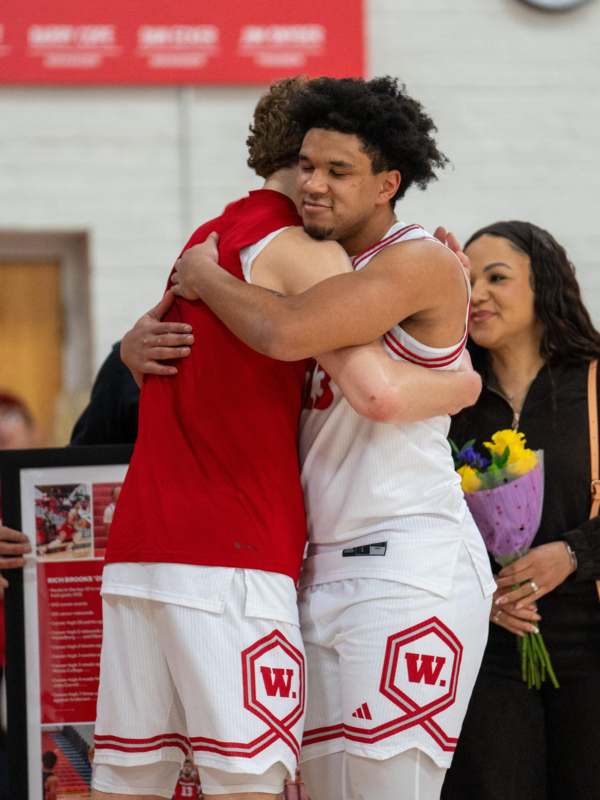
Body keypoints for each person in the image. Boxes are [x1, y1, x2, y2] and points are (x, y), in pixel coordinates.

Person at [92, 76, 477, 800]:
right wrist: (133, 345)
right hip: (311, 562)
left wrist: (467, 385)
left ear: (387, 183)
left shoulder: (410, 258)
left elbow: (332, 362)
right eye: (307, 165)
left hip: (402, 559)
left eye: (337, 171)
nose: (314, 184)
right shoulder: (306, 254)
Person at [438, 221, 600, 800]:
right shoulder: (447, 400)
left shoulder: (593, 381)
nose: (476, 294)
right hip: (488, 656)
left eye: (496, 277)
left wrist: (575, 554)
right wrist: (480, 593)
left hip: (590, 645)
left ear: (545, 285)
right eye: (466, 280)